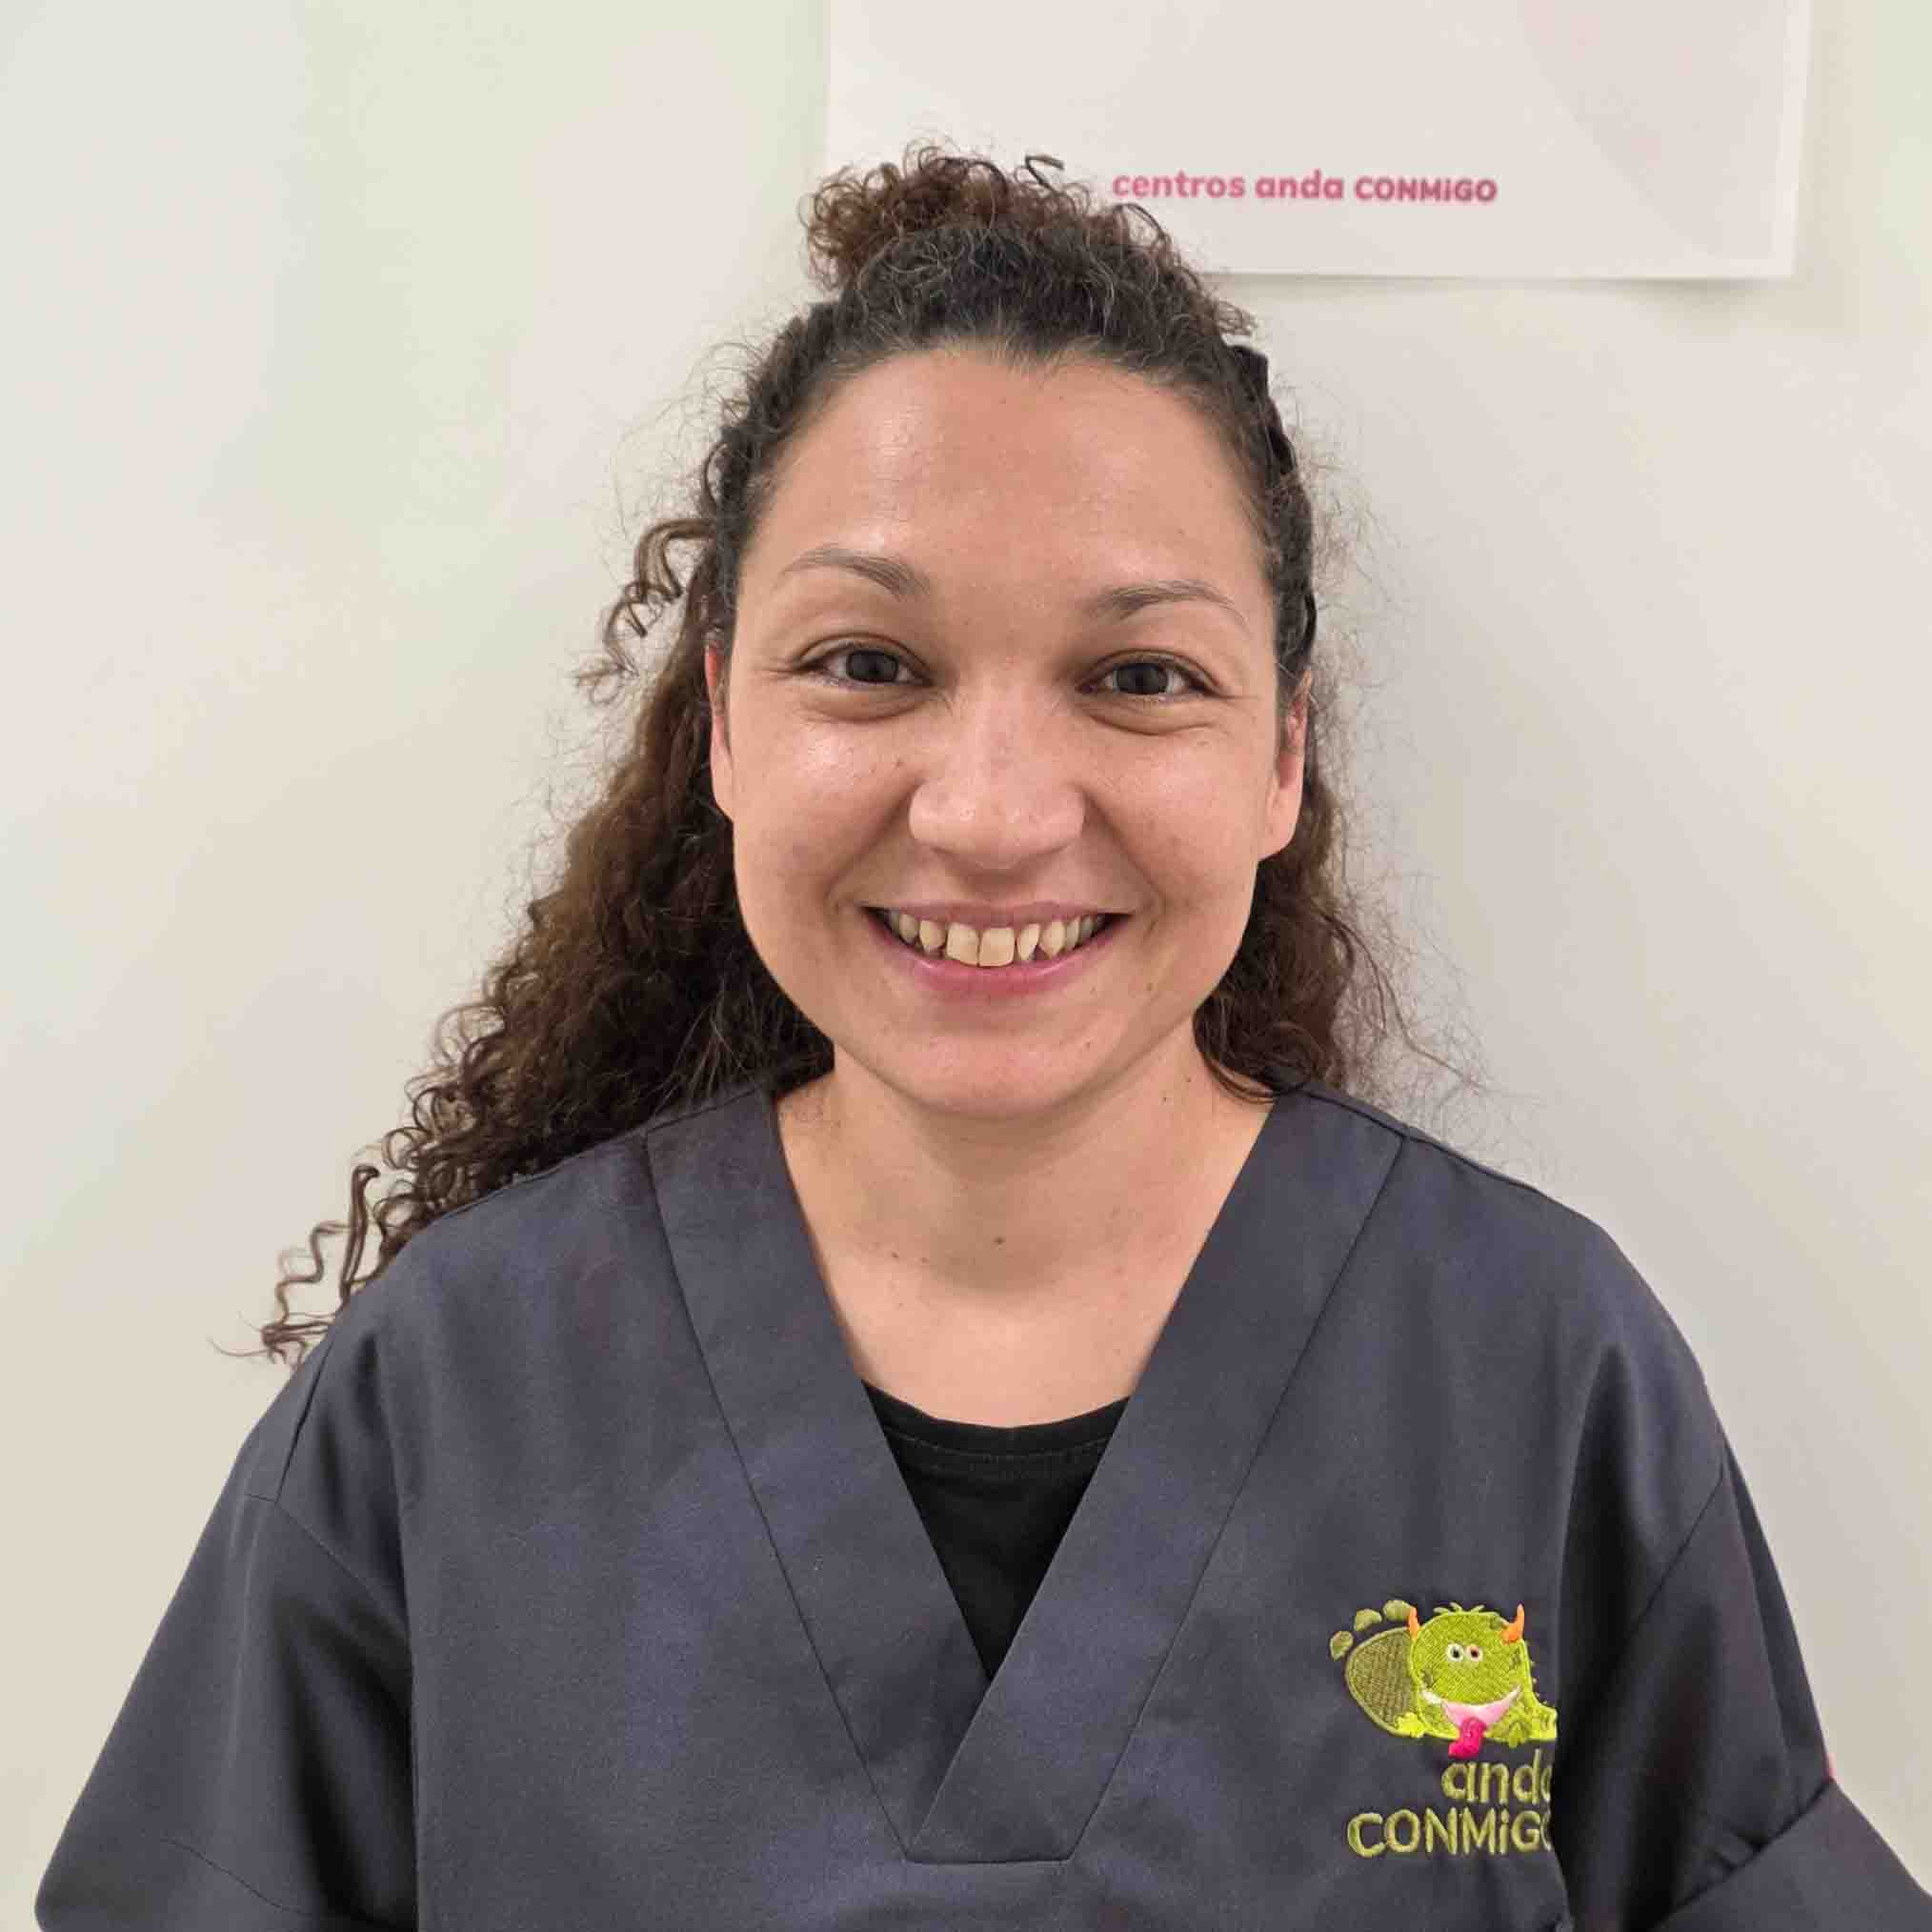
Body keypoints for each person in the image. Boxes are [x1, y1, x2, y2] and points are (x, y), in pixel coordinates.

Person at [35, 141, 1930, 1931]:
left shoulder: (1526, 1366)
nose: (995, 812)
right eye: (870, 665)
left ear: (1282, 755)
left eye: (1139, 676)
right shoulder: (452, 1394)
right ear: (723, 723)